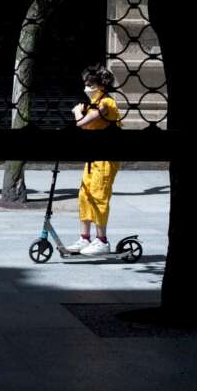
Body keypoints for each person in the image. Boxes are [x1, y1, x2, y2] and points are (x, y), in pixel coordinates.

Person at [65, 64, 122, 256]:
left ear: (101, 86)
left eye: (90, 84)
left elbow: (81, 124)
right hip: (92, 159)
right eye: (85, 84)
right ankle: (85, 237)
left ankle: (102, 241)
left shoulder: (106, 104)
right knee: (85, 195)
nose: (86, 88)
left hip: (106, 159)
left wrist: (76, 112)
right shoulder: (93, 104)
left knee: (99, 196)